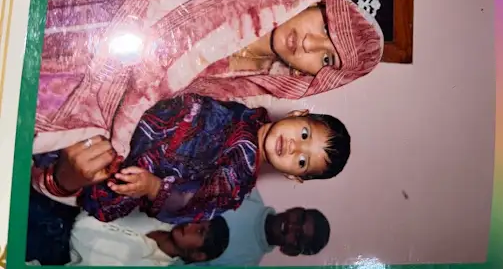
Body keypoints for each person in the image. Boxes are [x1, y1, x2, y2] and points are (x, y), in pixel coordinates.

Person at [33, 0, 383, 164]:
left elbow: (156, 102)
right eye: (325, 28)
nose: (309, 43)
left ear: (311, 76)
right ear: (316, 3)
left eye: (326, 58)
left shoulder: (241, 85)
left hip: (67, 76)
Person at [32, 94, 351, 226]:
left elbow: (193, 203)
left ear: (294, 177)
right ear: (299, 113)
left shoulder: (236, 185)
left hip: (126, 160)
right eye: (305, 135)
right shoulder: (243, 108)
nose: (294, 148)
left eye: (302, 162)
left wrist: (153, 187)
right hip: (126, 110)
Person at [194, 188, 330, 266]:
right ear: (296, 208)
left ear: (290, 251)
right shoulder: (247, 189)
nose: (291, 226)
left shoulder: (245, 264)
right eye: (299, 218)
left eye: (298, 236)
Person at [68, 211, 229, 266]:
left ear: (198, 255)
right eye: (197, 221)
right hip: (68, 204)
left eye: (199, 231)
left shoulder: (146, 263)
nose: (190, 225)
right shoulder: (159, 213)